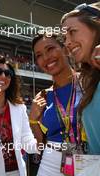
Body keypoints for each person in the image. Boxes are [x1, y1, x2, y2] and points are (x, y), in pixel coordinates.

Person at [30, 33, 83, 176]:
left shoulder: (88, 84)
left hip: (86, 157)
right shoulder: (43, 96)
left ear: (65, 49)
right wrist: (34, 120)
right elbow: (40, 144)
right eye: (39, 55)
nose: (46, 58)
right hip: (50, 160)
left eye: (50, 49)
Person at [61, 2, 100, 155]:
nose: (67, 43)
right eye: (64, 38)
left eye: (72, 32)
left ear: (96, 27)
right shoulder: (88, 81)